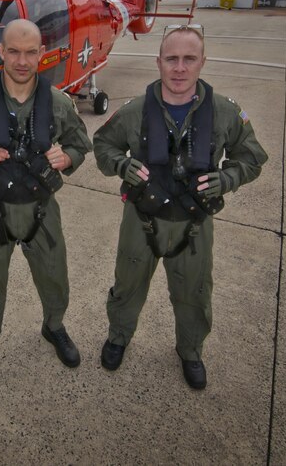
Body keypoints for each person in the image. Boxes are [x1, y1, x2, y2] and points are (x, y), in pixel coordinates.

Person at [93, 23, 268, 389]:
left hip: (194, 224)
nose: (179, 68)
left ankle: (190, 350)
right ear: (158, 62)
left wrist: (228, 178)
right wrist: (122, 166)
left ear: (203, 62)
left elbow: (251, 158)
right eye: (171, 58)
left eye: (189, 59)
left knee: (194, 292)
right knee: (127, 285)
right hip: (141, 220)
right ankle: (118, 337)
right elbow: (103, 145)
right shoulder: (135, 110)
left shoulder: (224, 112)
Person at [0, 19, 93, 381]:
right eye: (14, 52)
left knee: (54, 273)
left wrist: (68, 158)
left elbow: (80, 142)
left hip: (42, 206)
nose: (22, 61)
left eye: (30, 52)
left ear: (42, 53)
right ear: (1, 53)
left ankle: (54, 325)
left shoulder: (57, 102)